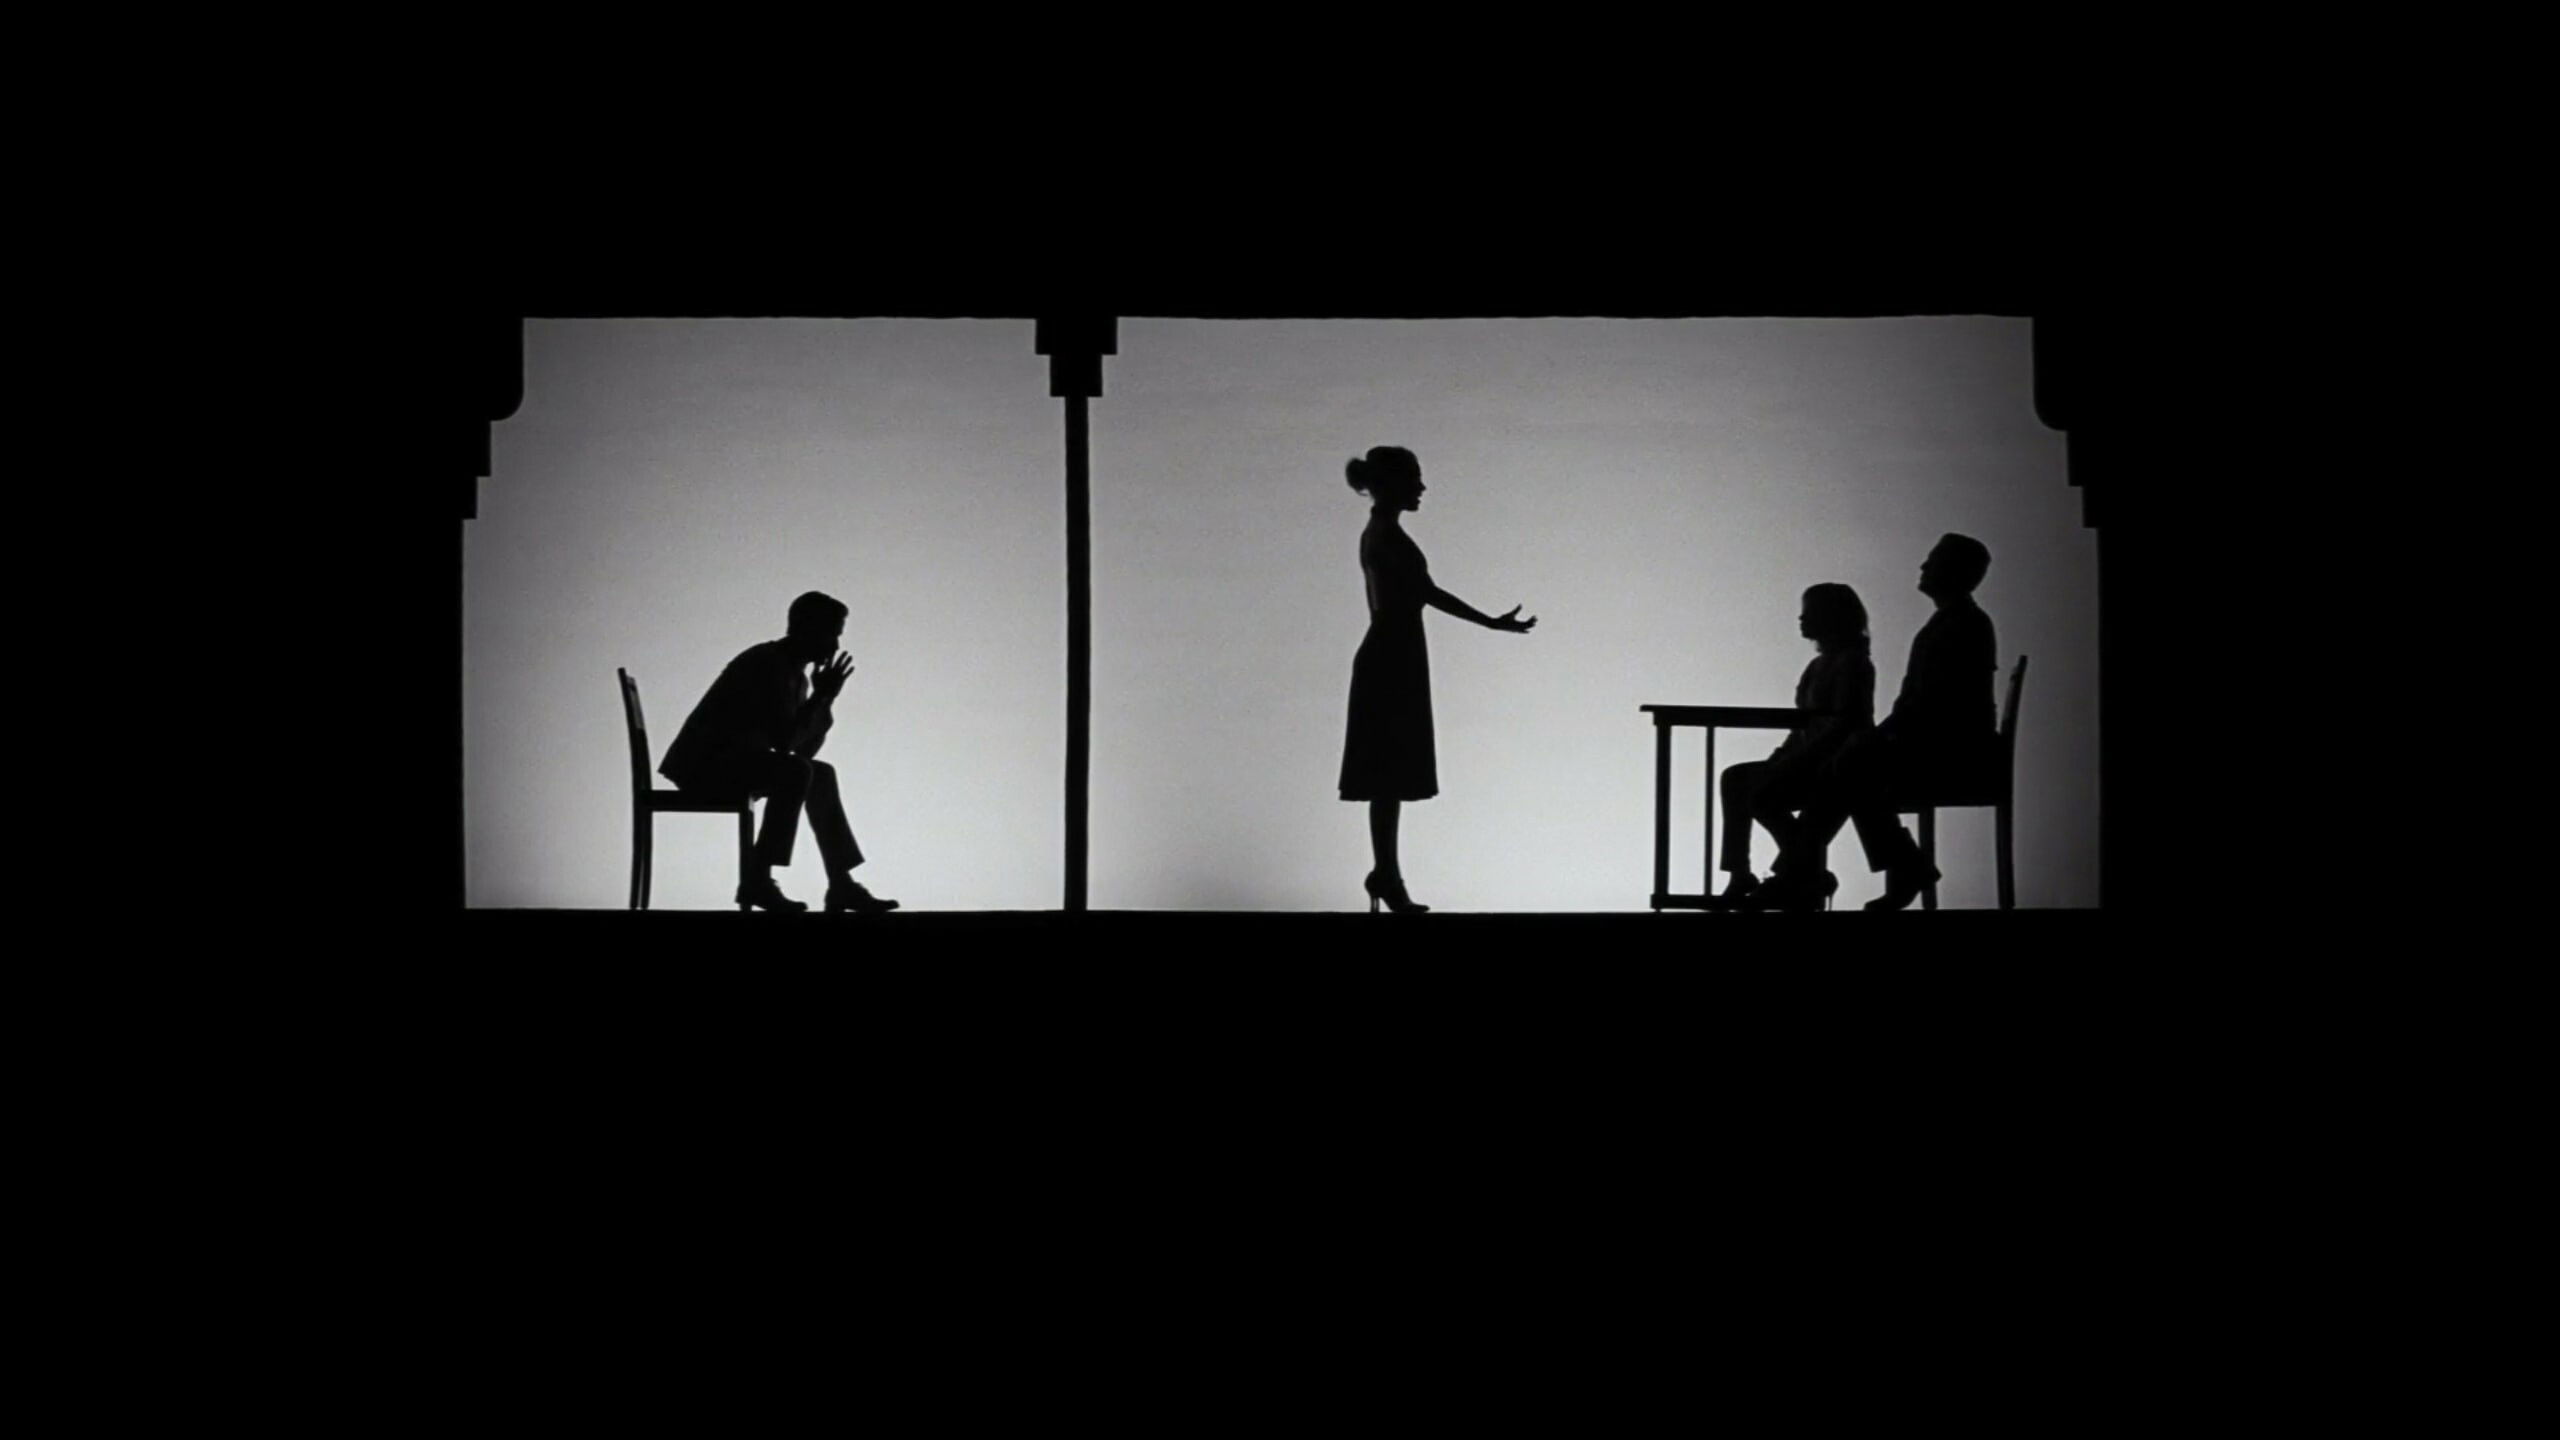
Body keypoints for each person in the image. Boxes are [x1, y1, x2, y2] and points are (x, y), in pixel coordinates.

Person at [1336, 446, 1536, 914]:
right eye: (1414, 479)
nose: (1422, 488)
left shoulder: (1380, 532)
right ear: (1392, 484)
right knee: (1388, 776)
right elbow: (1427, 593)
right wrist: (1490, 622)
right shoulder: (1386, 536)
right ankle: (1387, 876)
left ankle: (1386, 873)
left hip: (1394, 656)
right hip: (1391, 659)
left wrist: (1489, 622)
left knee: (1388, 778)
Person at [1762, 534, 1999, 912]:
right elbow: (1919, 703)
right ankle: (1833, 869)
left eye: (1933, 560)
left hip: (1952, 748)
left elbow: (1935, 703)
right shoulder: (1949, 623)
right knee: (1847, 766)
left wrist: (1881, 737)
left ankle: (1804, 872)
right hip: (1937, 740)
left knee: (1849, 768)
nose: (1923, 566)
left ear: (1955, 571)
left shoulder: (1963, 625)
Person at [659, 591, 899, 913]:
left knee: (819, 774)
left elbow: (804, 749)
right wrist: (819, 698)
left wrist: (824, 699)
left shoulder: (797, 677)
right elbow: (785, 743)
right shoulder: (767, 662)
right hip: (703, 767)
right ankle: (758, 878)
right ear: (808, 629)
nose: (835, 646)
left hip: (740, 764)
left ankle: (841, 883)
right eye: (831, 634)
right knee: (796, 772)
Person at [1705, 583, 1876, 911]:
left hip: (1834, 765)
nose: (1801, 619)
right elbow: (1801, 727)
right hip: (1806, 758)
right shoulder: (1817, 666)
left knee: (1763, 796)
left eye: (1809, 612)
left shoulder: (1853, 663)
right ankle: (1743, 873)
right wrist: (1781, 758)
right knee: (1736, 778)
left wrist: (1794, 762)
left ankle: (1802, 871)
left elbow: (1845, 725)